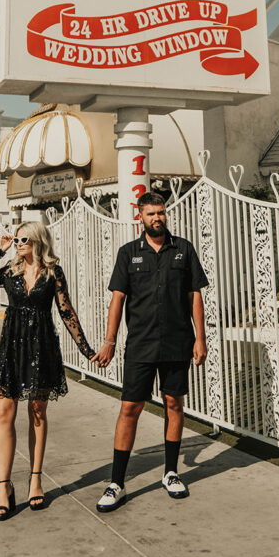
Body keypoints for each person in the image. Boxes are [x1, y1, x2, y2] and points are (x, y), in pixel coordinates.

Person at [91, 191, 208, 512]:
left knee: (174, 403)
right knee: (130, 408)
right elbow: (117, 299)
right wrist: (110, 341)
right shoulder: (128, 253)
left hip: (177, 343)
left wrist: (201, 338)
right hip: (140, 345)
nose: (157, 218)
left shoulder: (183, 249)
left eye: (161, 213)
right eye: (151, 213)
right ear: (139, 217)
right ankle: (116, 482)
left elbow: (194, 296)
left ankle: (171, 472)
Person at [0, 221, 95, 521]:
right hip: (12, 348)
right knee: (4, 413)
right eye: (16, 240)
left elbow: (66, 311)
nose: (18, 243)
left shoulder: (53, 273)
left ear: (38, 241)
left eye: (23, 239)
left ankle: (35, 479)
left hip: (42, 347)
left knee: (37, 412)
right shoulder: (10, 271)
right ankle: (4, 487)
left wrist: (86, 349)